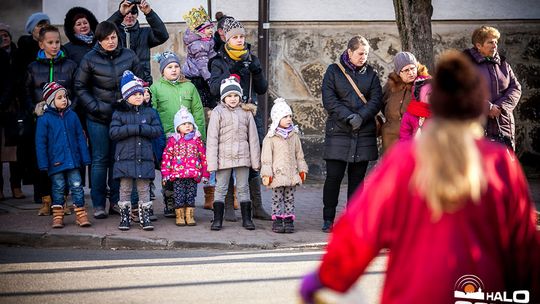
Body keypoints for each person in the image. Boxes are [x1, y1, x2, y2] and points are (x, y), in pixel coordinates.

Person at [299, 50, 540, 304]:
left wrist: (323, 281)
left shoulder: (405, 161)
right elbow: (524, 247)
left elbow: (361, 230)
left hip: (413, 293)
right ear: (475, 105)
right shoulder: (499, 162)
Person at [75, 21, 144, 219]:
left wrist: (136, 100)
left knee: (119, 159)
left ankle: (116, 201)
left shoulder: (129, 55)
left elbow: (141, 80)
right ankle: (98, 204)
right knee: (99, 160)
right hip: (97, 118)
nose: (111, 41)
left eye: (113, 37)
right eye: (106, 39)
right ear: (99, 40)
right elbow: (80, 86)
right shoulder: (89, 59)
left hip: (122, 117)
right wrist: (95, 107)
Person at [208, 18, 271, 221]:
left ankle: (257, 206)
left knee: (252, 158)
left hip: (249, 114)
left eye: (242, 36)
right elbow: (214, 88)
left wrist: (256, 69)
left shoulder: (251, 58)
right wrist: (233, 67)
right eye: (235, 37)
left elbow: (262, 89)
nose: (239, 40)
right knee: (226, 161)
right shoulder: (218, 60)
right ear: (226, 37)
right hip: (226, 115)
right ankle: (227, 207)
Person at [320, 35, 383, 233]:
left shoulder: (371, 74)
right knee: (334, 178)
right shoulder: (333, 71)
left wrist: (361, 117)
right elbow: (329, 100)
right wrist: (348, 117)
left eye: (366, 54)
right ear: (350, 52)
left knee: (357, 181)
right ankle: (328, 218)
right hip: (338, 131)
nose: (364, 57)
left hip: (363, 133)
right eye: (360, 53)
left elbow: (376, 100)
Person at [24, 25, 78, 216]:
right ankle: (45, 200)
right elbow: (27, 92)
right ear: (41, 44)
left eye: (57, 42)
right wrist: (34, 108)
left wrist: (69, 108)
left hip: (63, 120)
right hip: (42, 120)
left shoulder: (69, 65)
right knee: (42, 158)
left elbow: (76, 90)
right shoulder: (33, 67)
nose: (55, 46)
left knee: (62, 158)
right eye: (50, 42)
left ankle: (61, 200)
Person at [150, 50, 206, 218]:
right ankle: (169, 200)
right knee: (169, 169)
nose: (174, 70)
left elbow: (198, 111)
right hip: (167, 137)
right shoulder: (156, 88)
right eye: (169, 67)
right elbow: (153, 111)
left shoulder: (189, 87)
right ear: (162, 71)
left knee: (186, 171)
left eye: (176, 66)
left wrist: (199, 135)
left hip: (188, 139)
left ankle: (185, 202)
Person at [110, 71, 162, 231]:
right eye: (135, 94)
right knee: (124, 189)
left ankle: (145, 217)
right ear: (126, 96)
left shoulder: (150, 112)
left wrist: (142, 129)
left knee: (144, 188)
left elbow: (157, 130)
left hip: (144, 158)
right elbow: (113, 133)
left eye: (141, 93)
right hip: (125, 158)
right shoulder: (119, 113)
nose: (139, 96)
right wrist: (135, 128)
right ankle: (125, 217)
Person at [206, 76, 260, 231]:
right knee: (221, 188)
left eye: (235, 95)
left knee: (243, 187)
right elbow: (212, 139)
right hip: (223, 157)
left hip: (243, 157)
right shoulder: (217, 112)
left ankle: (247, 219)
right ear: (223, 97)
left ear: (240, 96)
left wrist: (255, 162)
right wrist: (212, 163)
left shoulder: (246, 113)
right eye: (229, 96)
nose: (233, 99)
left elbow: (253, 139)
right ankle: (217, 219)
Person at [35, 82, 91, 228]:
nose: (64, 99)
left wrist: (85, 157)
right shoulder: (44, 119)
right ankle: (58, 216)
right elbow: (41, 143)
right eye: (59, 97)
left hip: (73, 160)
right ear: (51, 100)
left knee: (77, 186)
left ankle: (81, 214)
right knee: (58, 187)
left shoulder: (72, 115)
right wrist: (43, 163)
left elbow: (80, 136)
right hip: (56, 161)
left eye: (65, 96)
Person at [464, 26, 521, 150]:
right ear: (478, 45)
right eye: (490, 42)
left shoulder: (503, 64)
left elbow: (515, 88)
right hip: (476, 123)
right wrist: (488, 107)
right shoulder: (465, 64)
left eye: (496, 42)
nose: (495, 46)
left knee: (504, 164)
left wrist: (500, 106)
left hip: (503, 122)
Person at [260, 98, 308, 233]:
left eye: (290, 116)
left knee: (290, 198)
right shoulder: (271, 138)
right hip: (277, 174)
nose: (289, 119)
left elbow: (299, 155)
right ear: (277, 118)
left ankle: (288, 220)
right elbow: (266, 159)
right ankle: (277, 220)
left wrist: (302, 169)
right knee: (277, 198)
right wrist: (267, 174)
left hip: (291, 174)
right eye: (285, 116)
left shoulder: (294, 136)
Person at [161, 107, 209, 226]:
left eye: (189, 123)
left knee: (191, 195)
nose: (187, 126)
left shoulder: (197, 140)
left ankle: (190, 215)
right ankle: (180, 215)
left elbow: (203, 157)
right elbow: (167, 157)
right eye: (183, 124)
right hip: (178, 175)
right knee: (179, 195)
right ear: (178, 127)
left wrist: (205, 173)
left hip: (193, 175)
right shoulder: (173, 140)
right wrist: (165, 174)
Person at [107, 0, 169, 84]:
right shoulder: (113, 35)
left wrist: (149, 13)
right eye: (126, 12)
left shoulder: (145, 33)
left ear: (137, 14)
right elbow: (102, 32)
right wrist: (119, 13)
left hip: (142, 81)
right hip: (118, 81)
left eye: (133, 12)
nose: (129, 15)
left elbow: (163, 36)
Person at [381, 51, 430, 152]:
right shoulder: (391, 86)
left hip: (414, 142)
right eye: (406, 70)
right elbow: (382, 105)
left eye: (412, 68)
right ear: (399, 73)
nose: (411, 73)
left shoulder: (425, 85)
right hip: (391, 141)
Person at [0, 23, 25, 200]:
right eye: (0, 35)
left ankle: (16, 186)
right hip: (1, 107)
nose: (4, 38)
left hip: (13, 108)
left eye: (6, 35)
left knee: (14, 151)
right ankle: (0, 188)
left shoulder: (17, 54)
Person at [182, 6, 218, 109]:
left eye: (211, 27)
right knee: (202, 101)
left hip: (203, 74)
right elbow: (203, 64)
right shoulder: (198, 45)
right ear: (200, 31)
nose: (210, 30)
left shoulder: (207, 40)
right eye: (207, 28)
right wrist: (209, 79)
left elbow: (211, 55)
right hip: (197, 76)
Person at [398, 77, 432, 141]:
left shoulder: (440, 113)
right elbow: (404, 137)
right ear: (421, 95)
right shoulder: (410, 114)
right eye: (429, 94)